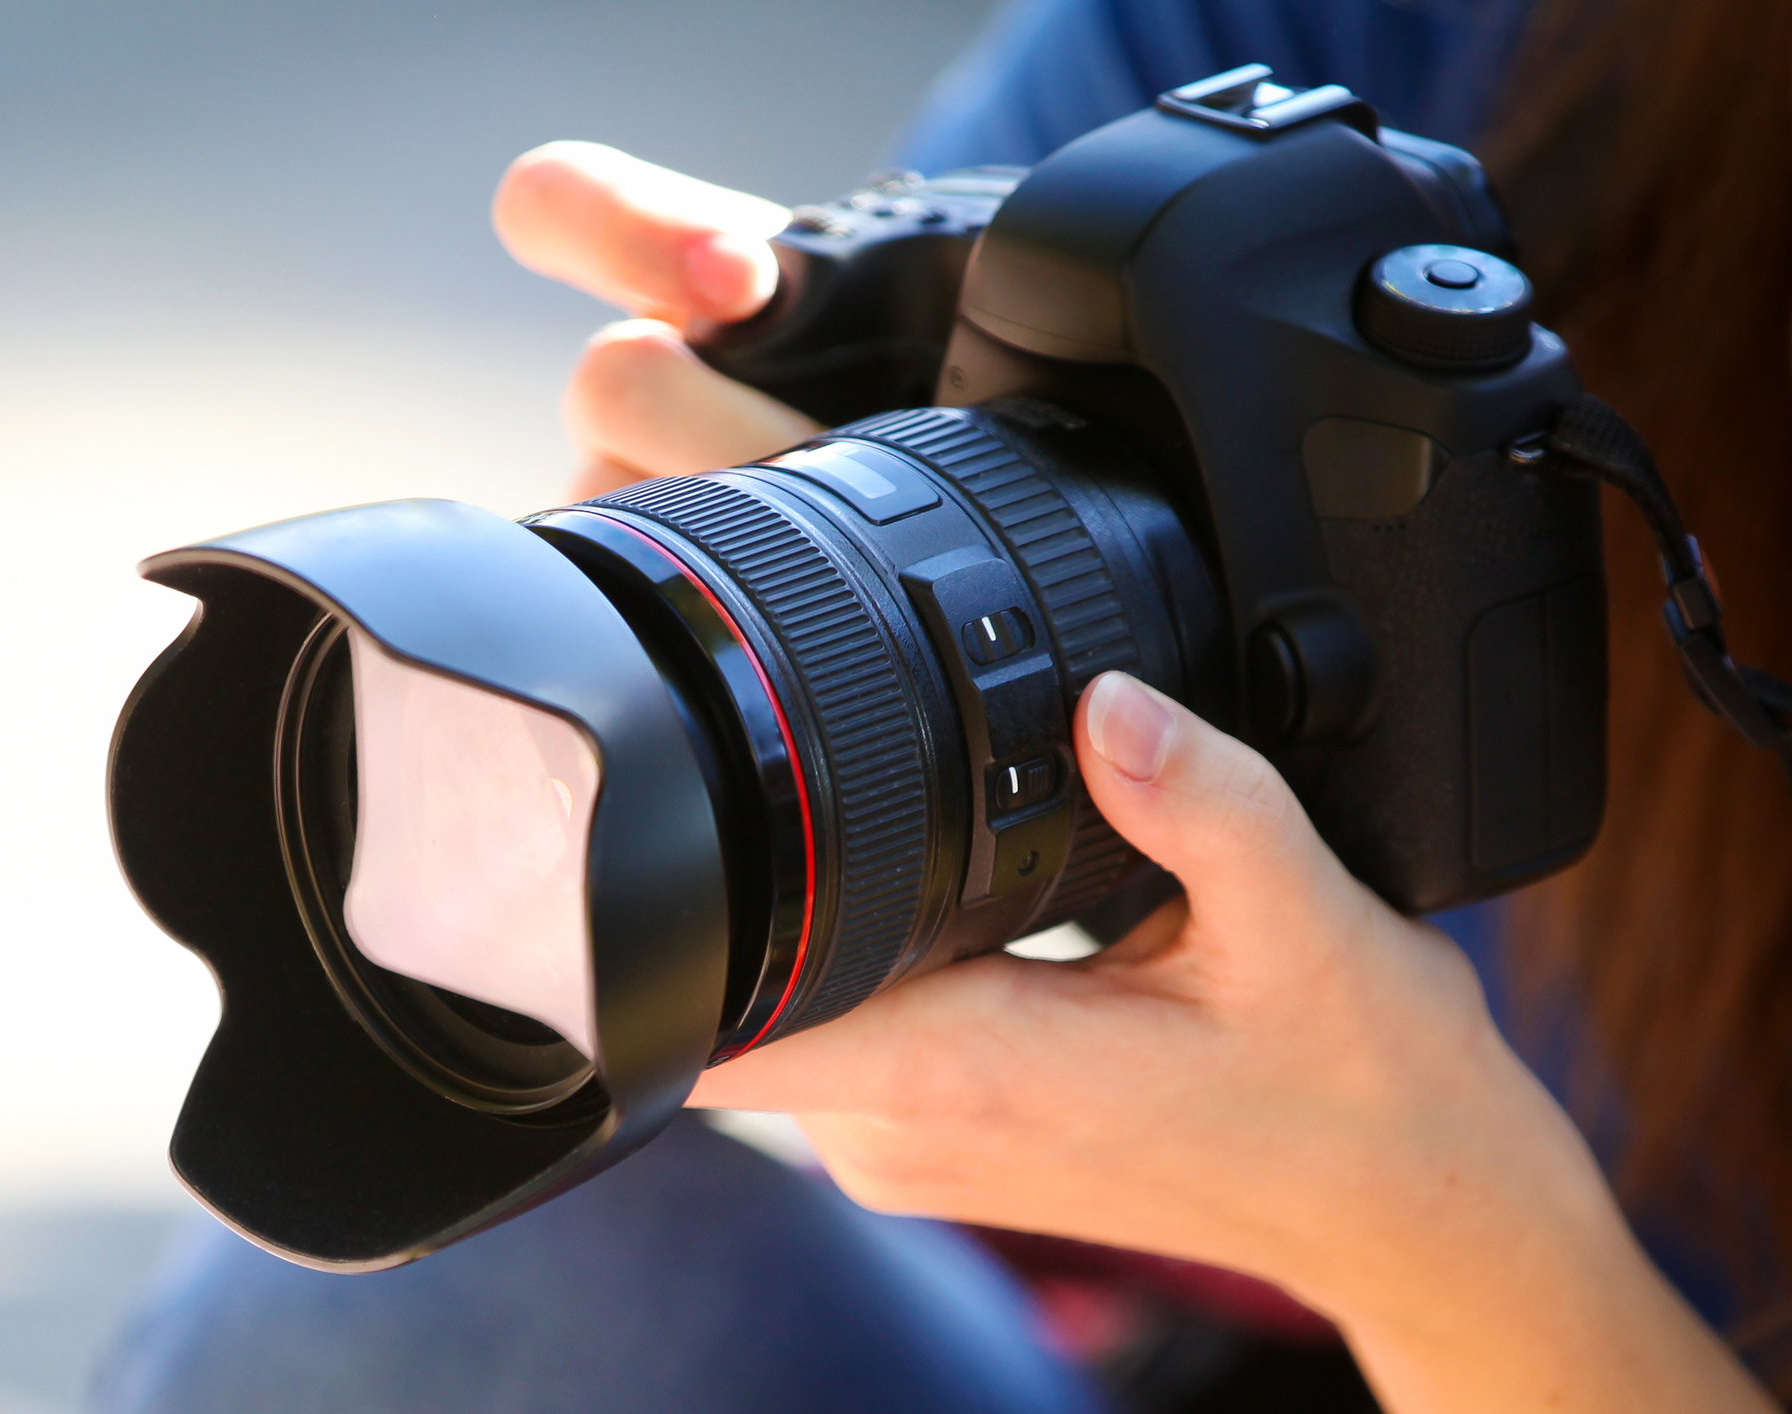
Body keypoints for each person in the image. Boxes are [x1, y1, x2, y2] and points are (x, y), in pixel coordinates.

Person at [95, 1, 1792, 1409]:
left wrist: (1430, 1240)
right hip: (1159, 1354)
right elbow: (1047, 263)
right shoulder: (1413, 30)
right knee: (389, 1303)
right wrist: (790, 457)